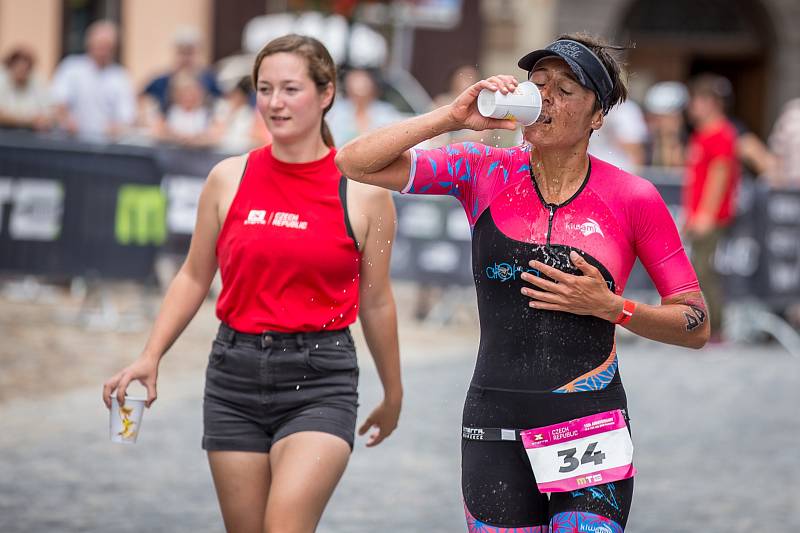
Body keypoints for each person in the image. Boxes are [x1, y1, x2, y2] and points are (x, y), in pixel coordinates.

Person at [336, 32, 709, 532]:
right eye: (538, 83)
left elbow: (696, 324)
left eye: (565, 89)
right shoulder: (482, 170)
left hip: (588, 424)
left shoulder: (632, 198)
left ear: (598, 115)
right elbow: (354, 162)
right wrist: (452, 117)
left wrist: (611, 307)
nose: (545, 97)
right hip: (494, 421)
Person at [102, 34, 402, 533]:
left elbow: (377, 303)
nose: (274, 103)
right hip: (232, 378)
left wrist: (393, 394)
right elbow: (195, 276)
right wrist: (150, 354)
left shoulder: (366, 192)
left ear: (326, 93)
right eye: (264, 89)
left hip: (320, 379)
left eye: (290, 88)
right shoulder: (227, 177)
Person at [684, 73, 741, 342]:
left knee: (704, 270)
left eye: (697, 100)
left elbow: (719, 175)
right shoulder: (703, 134)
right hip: (700, 214)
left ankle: (716, 329)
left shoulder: (720, 133)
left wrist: (705, 214)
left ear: (712, 102)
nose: (692, 106)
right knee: (699, 269)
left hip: (712, 217)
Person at [50, 20, 135, 141]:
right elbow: (58, 101)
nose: (103, 51)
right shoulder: (71, 68)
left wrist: (117, 128)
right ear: (89, 44)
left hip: (106, 147)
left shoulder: (120, 76)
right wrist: (66, 119)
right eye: (99, 46)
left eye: (107, 47)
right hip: (70, 143)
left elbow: (126, 116)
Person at [142, 26, 222, 114]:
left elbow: (222, 104)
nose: (185, 58)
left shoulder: (209, 80)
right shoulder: (161, 81)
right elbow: (142, 99)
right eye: (182, 52)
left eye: (189, 53)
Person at [326, 67, 404, 146]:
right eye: (354, 83)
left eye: (363, 84)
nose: (358, 88)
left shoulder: (386, 113)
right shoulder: (336, 112)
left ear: (373, 88)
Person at [0, 47, 51, 130]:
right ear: (10, 66)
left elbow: (49, 113)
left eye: (25, 69)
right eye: (18, 67)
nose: (21, 72)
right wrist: (28, 121)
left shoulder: (37, 81)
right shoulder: (2, 79)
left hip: (30, 137)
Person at [643, 81, 689, 167]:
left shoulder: (690, 144)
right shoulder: (647, 145)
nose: (656, 123)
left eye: (662, 118)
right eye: (654, 118)